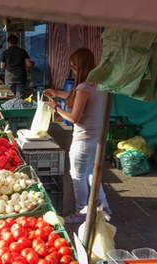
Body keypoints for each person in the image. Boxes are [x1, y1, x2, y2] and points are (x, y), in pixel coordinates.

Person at [45, 47, 111, 224]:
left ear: (78, 67)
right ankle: (104, 206)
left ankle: (81, 212)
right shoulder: (99, 84)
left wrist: (56, 108)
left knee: (77, 176)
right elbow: (79, 98)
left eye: (73, 67)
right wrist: (58, 93)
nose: (72, 71)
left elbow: (74, 117)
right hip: (96, 138)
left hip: (83, 140)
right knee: (91, 174)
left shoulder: (83, 87)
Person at [0, 34, 32, 98]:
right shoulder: (22, 51)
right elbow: (29, 64)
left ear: (8, 42)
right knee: (19, 97)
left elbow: (2, 66)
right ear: (17, 42)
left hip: (9, 77)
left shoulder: (5, 52)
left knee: (10, 96)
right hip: (20, 76)